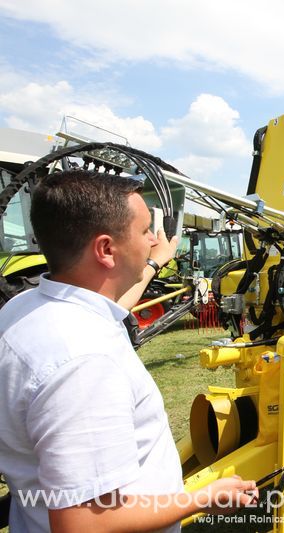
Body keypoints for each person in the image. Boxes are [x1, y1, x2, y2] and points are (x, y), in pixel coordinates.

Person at [0, 170, 257, 533]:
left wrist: (154, 265)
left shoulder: (30, 308)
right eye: (144, 230)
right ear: (106, 249)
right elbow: (84, 523)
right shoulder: (85, 361)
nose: (154, 240)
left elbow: (111, 307)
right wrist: (203, 495)